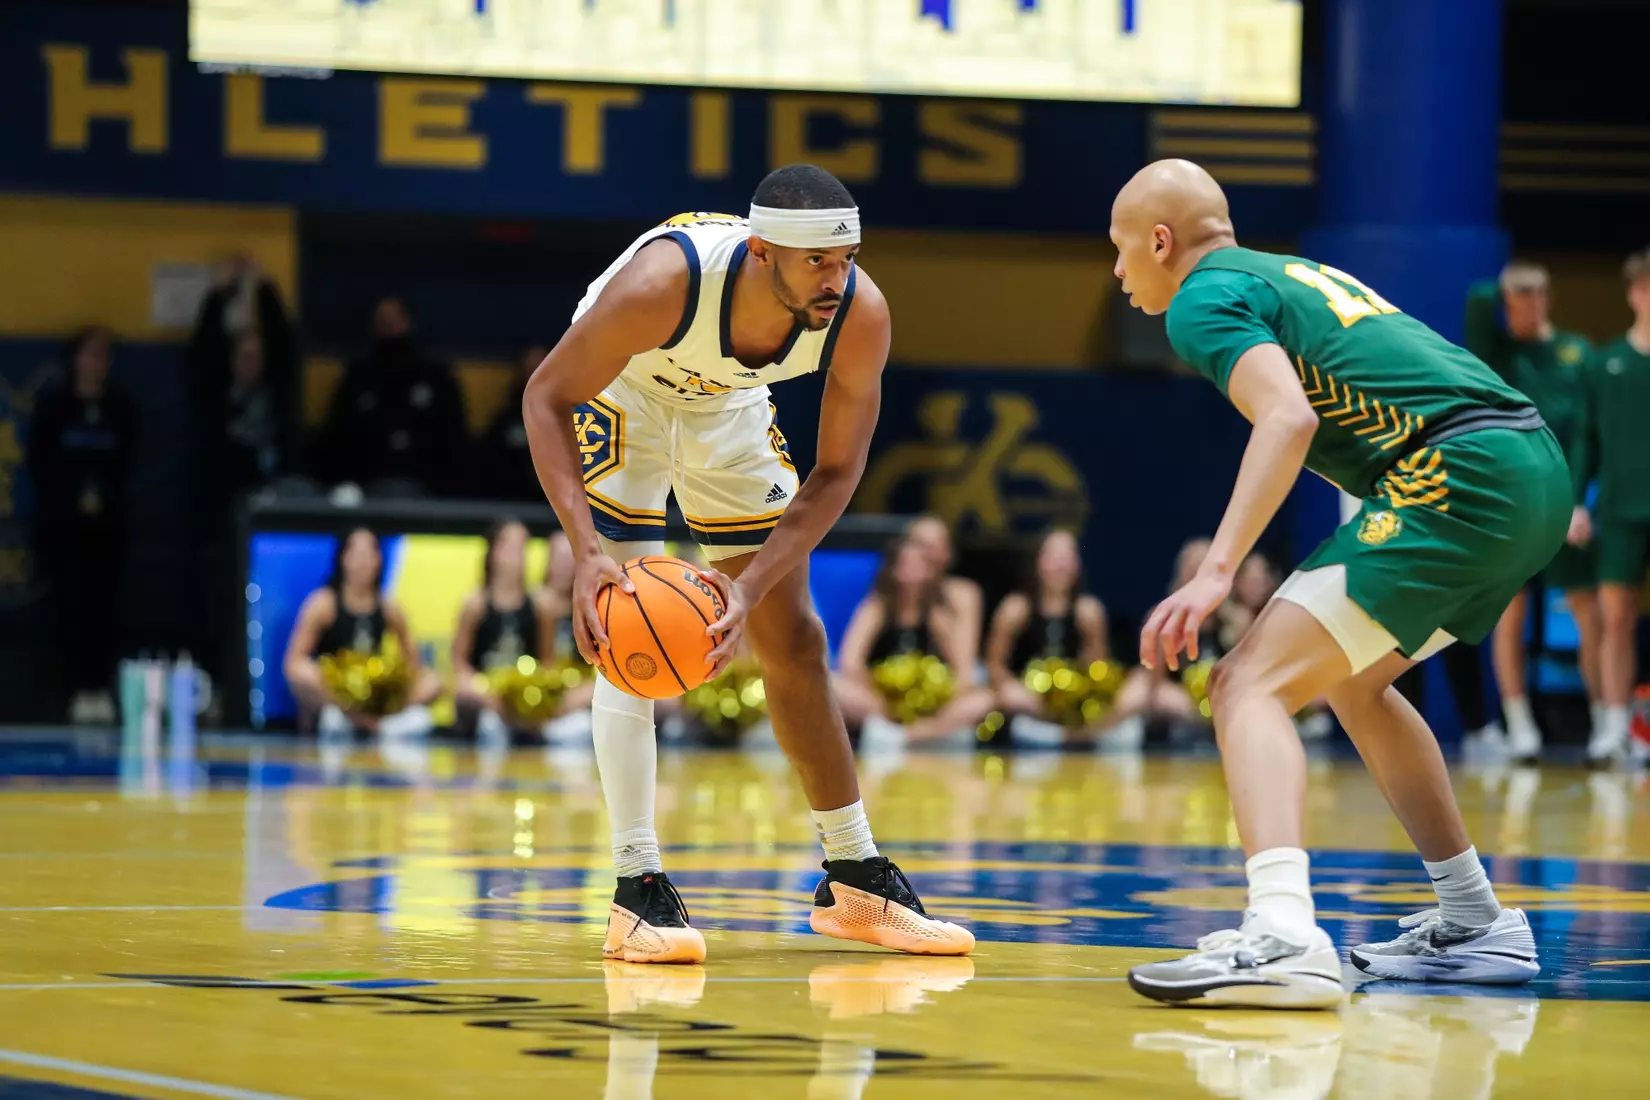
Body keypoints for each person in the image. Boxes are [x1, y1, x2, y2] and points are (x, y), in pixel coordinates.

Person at [1112, 160, 1562, 1008]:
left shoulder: (1202, 299)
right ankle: (1475, 921)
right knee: (1357, 683)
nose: (1118, 271)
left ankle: (1281, 932)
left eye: (1120, 248)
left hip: (1459, 473)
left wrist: (1215, 573)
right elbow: (1365, 403)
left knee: (1246, 682)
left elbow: (1289, 419)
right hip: (1524, 466)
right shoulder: (1287, 274)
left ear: (1161, 243)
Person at [522, 164, 974, 963]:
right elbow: (544, 397)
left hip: (725, 405)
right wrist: (586, 552)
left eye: (847, 260)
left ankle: (854, 878)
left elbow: (838, 472)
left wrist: (754, 583)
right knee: (627, 627)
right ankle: (637, 891)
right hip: (625, 384)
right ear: (762, 253)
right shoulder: (662, 285)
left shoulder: (860, 314)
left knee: (793, 636)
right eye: (818, 264)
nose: (838, 279)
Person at [1464, 262, 1598, 762]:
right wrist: (1498, 285)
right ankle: (1517, 722)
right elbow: (1475, 306)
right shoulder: (1499, 351)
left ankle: (1605, 720)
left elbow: (1584, 431)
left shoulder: (1575, 351)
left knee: (1587, 611)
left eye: (1532, 300)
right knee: (1510, 610)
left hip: (1566, 498)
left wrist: (1580, 500)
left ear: (1546, 300)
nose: (1523, 312)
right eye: (1514, 303)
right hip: (1512, 497)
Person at [27, 327, 135, 720]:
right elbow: (39, 463)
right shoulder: (54, 407)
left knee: (104, 611)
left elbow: (126, 467)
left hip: (106, 531)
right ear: (75, 360)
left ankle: (99, 688)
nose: (96, 363)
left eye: (103, 356)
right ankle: (72, 690)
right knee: (68, 609)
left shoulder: (120, 409)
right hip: (64, 530)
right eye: (90, 354)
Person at [1568, 247, 1650, 767]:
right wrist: (1577, 501)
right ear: (1634, 293)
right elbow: (1584, 442)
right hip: (1621, 509)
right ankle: (1613, 727)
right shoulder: (1605, 363)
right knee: (1615, 617)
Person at [835, 535, 995, 745]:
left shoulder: (940, 613)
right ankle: (900, 731)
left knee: (985, 700)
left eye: (920, 565)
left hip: (934, 706)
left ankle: (909, 736)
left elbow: (963, 670)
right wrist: (881, 694)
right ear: (892, 569)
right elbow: (850, 662)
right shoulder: (876, 608)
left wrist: (939, 694)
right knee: (832, 685)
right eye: (905, 564)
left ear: (931, 571)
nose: (912, 572)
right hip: (881, 703)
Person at [283, 527, 441, 736]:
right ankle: (354, 720)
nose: (363, 563)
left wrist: (392, 688)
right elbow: (294, 661)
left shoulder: (388, 607)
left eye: (369, 555)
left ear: (378, 560)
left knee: (434, 681)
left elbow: (413, 663)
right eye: (356, 555)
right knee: (301, 673)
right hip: (337, 696)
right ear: (343, 559)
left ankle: (382, 722)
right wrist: (336, 688)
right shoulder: (323, 603)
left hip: (374, 696)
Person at [314, 297, 468, 495]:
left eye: (393, 319)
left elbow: (455, 443)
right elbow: (335, 439)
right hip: (362, 488)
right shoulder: (358, 376)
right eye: (382, 320)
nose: (388, 325)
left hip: (424, 490)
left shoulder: (437, 377)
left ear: (408, 322)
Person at [985, 529, 1108, 741]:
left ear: (1077, 565)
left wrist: (1074, 694)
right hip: (1025, 699)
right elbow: (995, 665)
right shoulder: (1015, 608)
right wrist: (1024, 694)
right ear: (1038, 563)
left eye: (1067, 557)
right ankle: (1053, 733)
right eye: (1053, 557)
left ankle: (1062, 734)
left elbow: (1098, 670)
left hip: (1071, 702)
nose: (1061, 565)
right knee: (996, 698)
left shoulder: (1089, 611)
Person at [452, 519, 556, 739]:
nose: (518, 556)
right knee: (468, 696)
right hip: (486, 693)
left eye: (522, 548)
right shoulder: (475, 604)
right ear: (494, 552)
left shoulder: (541, 604)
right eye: (511, 547)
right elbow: (459, 664)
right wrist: (484, 690)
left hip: (526, 695)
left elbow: (548, 662)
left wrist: (533, 694)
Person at [905, 515, 984, 667]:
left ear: (948, 553)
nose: (925, 555)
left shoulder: (964, 594)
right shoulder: (886, 595)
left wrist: (935, 614)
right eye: (919, 545)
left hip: (947, 681)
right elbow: (850, 660)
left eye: (932, 546)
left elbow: (964, 665)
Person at [475, 345, 550, 501]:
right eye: (530, 369)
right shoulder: (505, 422)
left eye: (541, 368)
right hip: (513, 506)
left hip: (558, 513)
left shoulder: (578, 418)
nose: (535, 375)